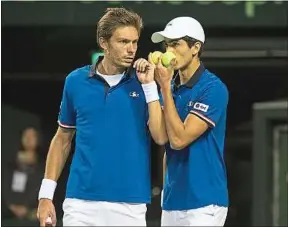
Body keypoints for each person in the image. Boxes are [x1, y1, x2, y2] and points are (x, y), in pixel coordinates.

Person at [36, 7, 167, 227]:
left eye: (135, 42)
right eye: (123, 41)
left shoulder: (144, 82)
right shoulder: (75, 81)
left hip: (130, 204)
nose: (131, 49)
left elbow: (160, 136)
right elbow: (62, 139)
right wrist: (45, 195)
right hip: (80, 203)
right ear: (104, 42)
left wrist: (150, 86)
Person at [150, 17, 229, 226]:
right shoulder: (170, 88)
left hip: (205, 202)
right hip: (172, 201)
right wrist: (154, 86)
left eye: (175, 44)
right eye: (167, 45)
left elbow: (179, 140)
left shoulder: (212, 89)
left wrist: (165, 87)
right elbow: (161, 138)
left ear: (195, 48)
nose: (169, 51)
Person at [3, 127, 44, 222]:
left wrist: (27, 209)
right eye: (26, 135)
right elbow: (5, 184)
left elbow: (38, 187)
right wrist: (11, 206)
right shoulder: (11, 163)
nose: (28, 139)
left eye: (32, 136)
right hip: (8, 212)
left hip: (32, 213)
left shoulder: (43, 165)